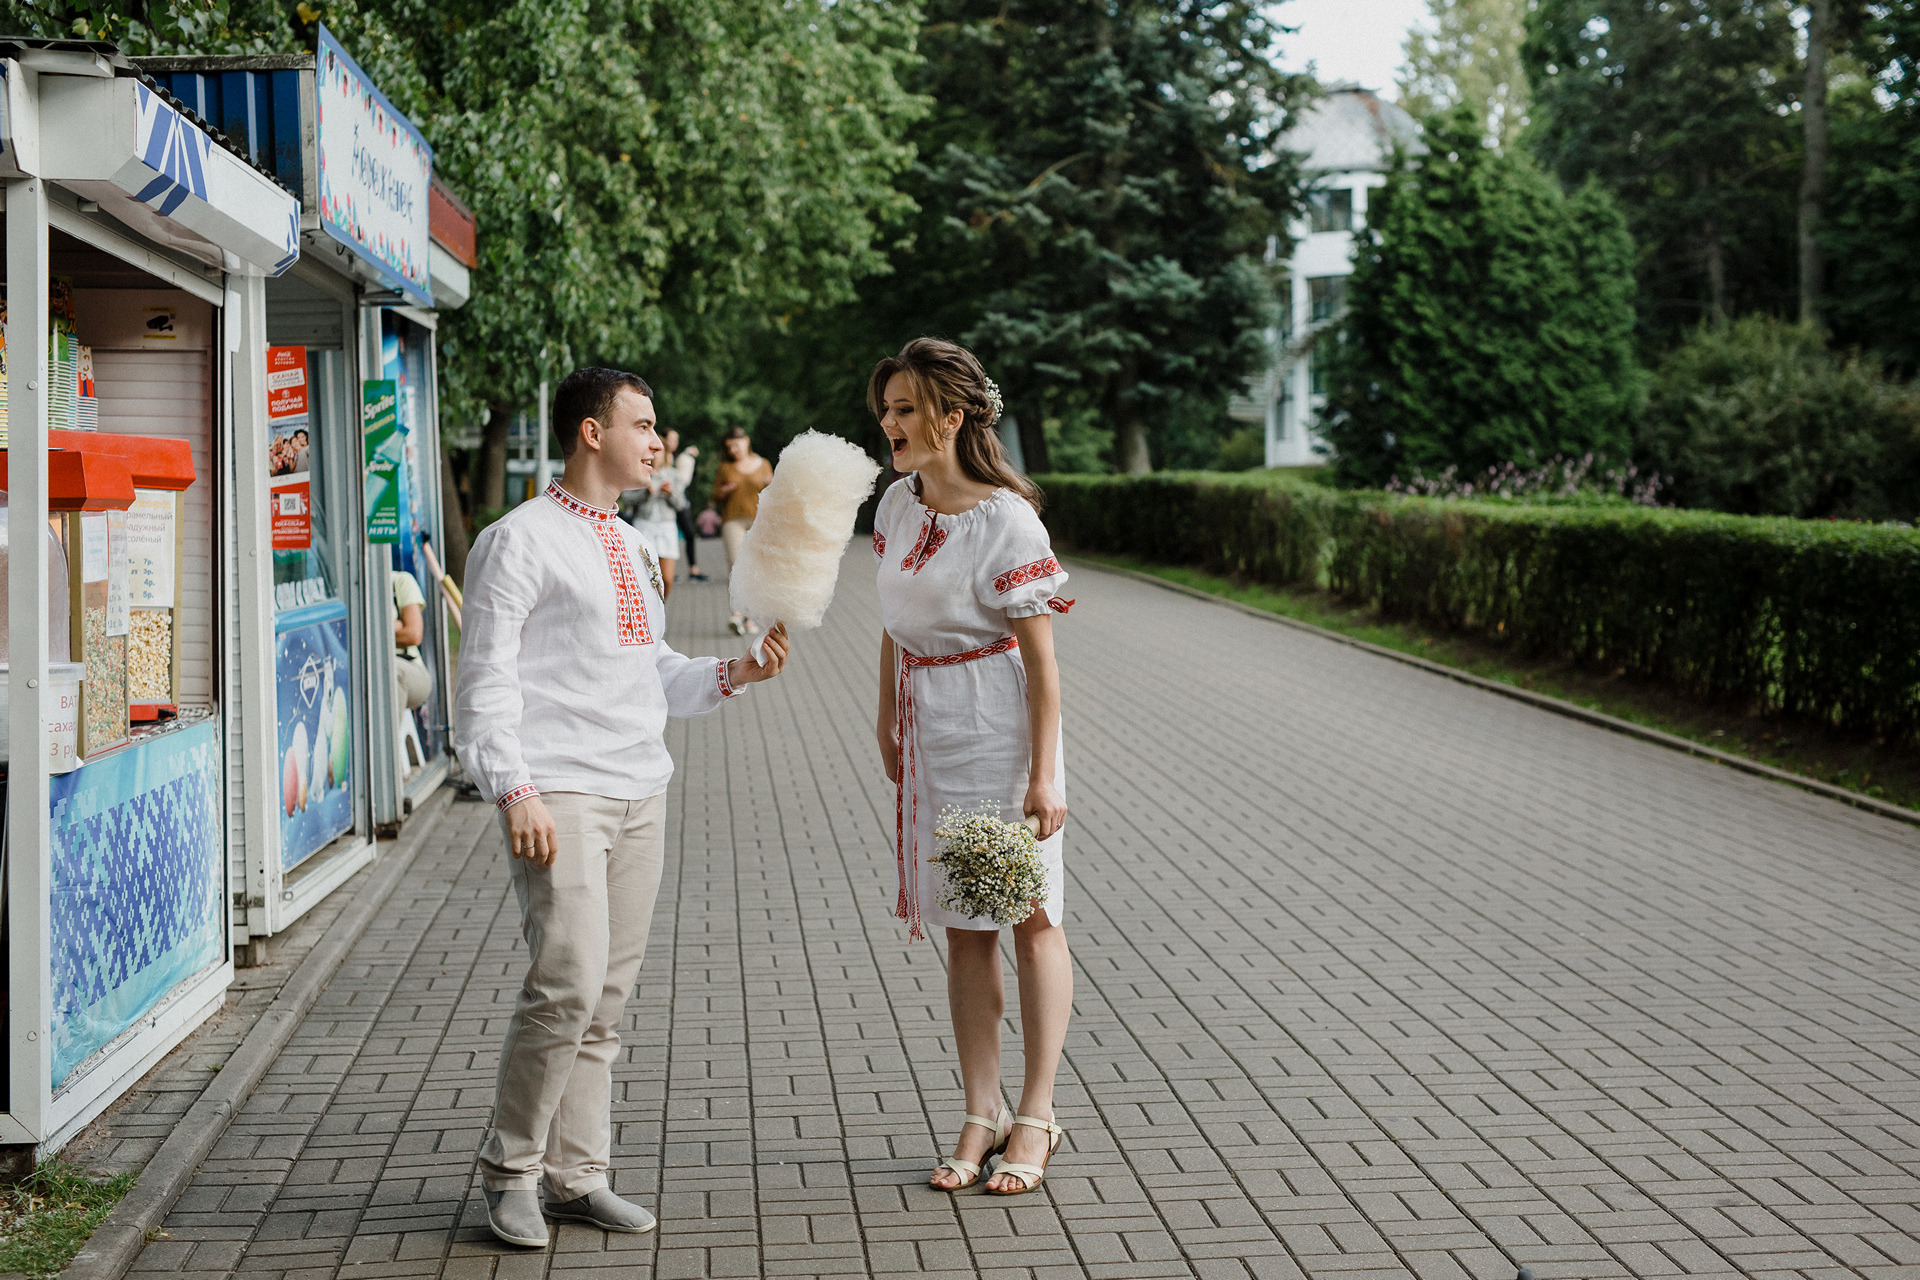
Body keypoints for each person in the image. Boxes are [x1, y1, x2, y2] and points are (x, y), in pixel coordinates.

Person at [455, 367, 791, 1249]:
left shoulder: (637, 546)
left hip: (643, 789)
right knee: (563, 983)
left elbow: (657, 676)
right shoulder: (516, 540)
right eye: (643, 424)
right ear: (590, 433)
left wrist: (737, 671)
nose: (658, 440)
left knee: (604, 998)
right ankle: (511, 1173)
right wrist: (513, 787)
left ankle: (577, 1176)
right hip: (557, 790)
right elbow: (483, 680)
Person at [868, 338, 1073, 1197]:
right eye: (886, 410)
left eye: (907, 409)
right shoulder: (893, 507)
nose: (890, 425)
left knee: (1027, 916)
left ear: (953, 418)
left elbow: (1043, 659)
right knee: (964, 926)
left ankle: (1035, 1116)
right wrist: (884, 715)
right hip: (929, 726)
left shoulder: (1007, 518)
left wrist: (1045, 773)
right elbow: (890, 617)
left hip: (997, 726)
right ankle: (978, 1110)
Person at [710, 426, 772, 635]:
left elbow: (775, 493)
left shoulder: (763, 464)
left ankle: (750, 616)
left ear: (746, 441)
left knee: (754, 569)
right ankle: (737, 615)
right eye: (730, 447)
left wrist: (770, 485)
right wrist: (724, 491)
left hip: (758, 521)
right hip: (733, 521)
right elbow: (715, 496)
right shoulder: (726, 468)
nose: (734, 450)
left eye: (736, 445)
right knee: (737, 566)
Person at [624, 430, 687, 597]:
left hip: (666, 526)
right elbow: (626, 499)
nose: (655, 455)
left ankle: (660, 609)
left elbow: (681, 504)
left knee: (666, 578)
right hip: (644, 525)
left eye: (659, 452)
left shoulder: (674, 475)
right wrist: (645, 493)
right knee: (644, 576)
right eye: (652, 451)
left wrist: (670, 493)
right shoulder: (638, 474)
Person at [391, 566, 431, 711]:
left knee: (391, 669)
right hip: (365, 666)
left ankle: (389, 734)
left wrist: (375, 631)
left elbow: (413, 635)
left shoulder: (400, 580)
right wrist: (395, 625)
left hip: (409, 665)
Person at [668, 433, 707, 581]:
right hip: (664, 504)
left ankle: (693, 569)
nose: (674, 443)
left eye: (676, 440)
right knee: (670, 537)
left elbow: (686, 479)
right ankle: (667, 571)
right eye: (671, 439)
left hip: (678, 501)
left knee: (689, 534)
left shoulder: (680, 458)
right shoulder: (660, 458)